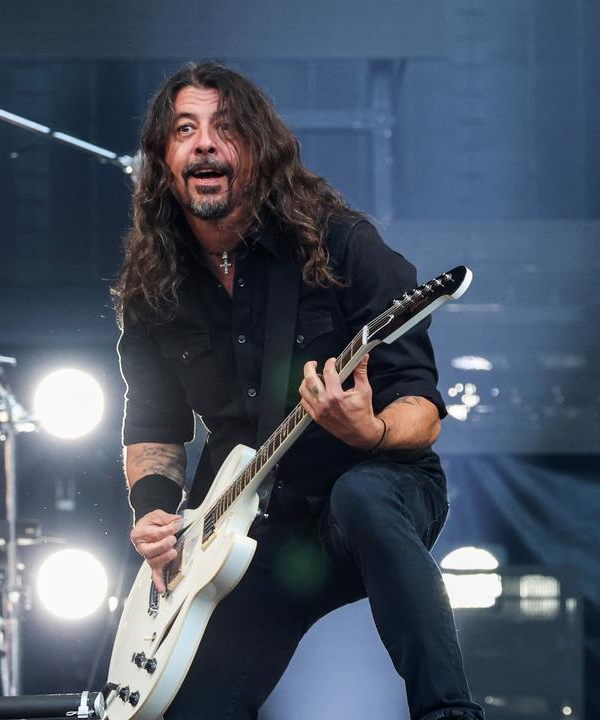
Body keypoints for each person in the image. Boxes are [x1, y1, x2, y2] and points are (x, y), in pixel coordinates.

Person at [115, 63, 483, 719]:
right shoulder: (155, 289)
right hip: (247, 530)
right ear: (163, 159)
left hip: (374, 494)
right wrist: (151, 510)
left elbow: (420, 409)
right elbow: (153, 426)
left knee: (363, 493)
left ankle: (449, 712)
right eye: (185, 130)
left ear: (256, 152)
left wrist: (368, 432)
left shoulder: (342, 245)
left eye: (225, 129)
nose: (204, 143)